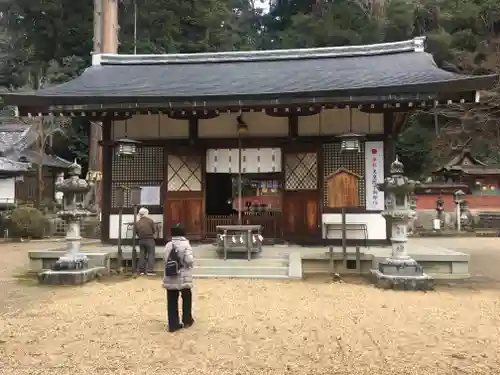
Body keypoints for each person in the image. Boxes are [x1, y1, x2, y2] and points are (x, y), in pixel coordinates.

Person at [163, 223, 194, 332]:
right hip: (183, 275)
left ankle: (173, 324)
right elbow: (189, 260)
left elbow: (165, 259)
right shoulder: (186, 245)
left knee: (171, 300)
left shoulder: (168, 245)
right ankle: (187, 320)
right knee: (186, 297)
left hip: (171, 274)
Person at [134, 207, 156, 276]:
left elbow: (136, 232)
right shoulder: (150, 221)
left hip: (141, 240)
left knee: (142, 254)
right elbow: (154, 231)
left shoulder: (137, 223)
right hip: (150, 240)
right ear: (146, 214)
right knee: (151, 254)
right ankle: (149, 270)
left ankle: (141, 271)